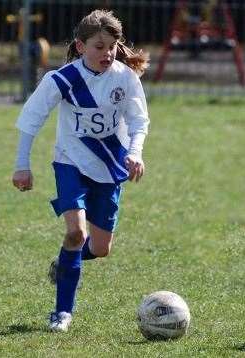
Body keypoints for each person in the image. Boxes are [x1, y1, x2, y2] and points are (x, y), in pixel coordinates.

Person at [12, 9, 150, 333]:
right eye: (98, 47)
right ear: (80, 45)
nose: (107, 54)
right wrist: (22, 165)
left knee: (100, 249)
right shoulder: (61, 79)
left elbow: (138, 121)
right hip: (70, 162)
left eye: (112, 47)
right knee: (76, 233)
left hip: (109, 167)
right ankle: (62, 312)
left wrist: (135, 153)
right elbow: (31, 119)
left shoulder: (125, 78)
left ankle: (64, 264)